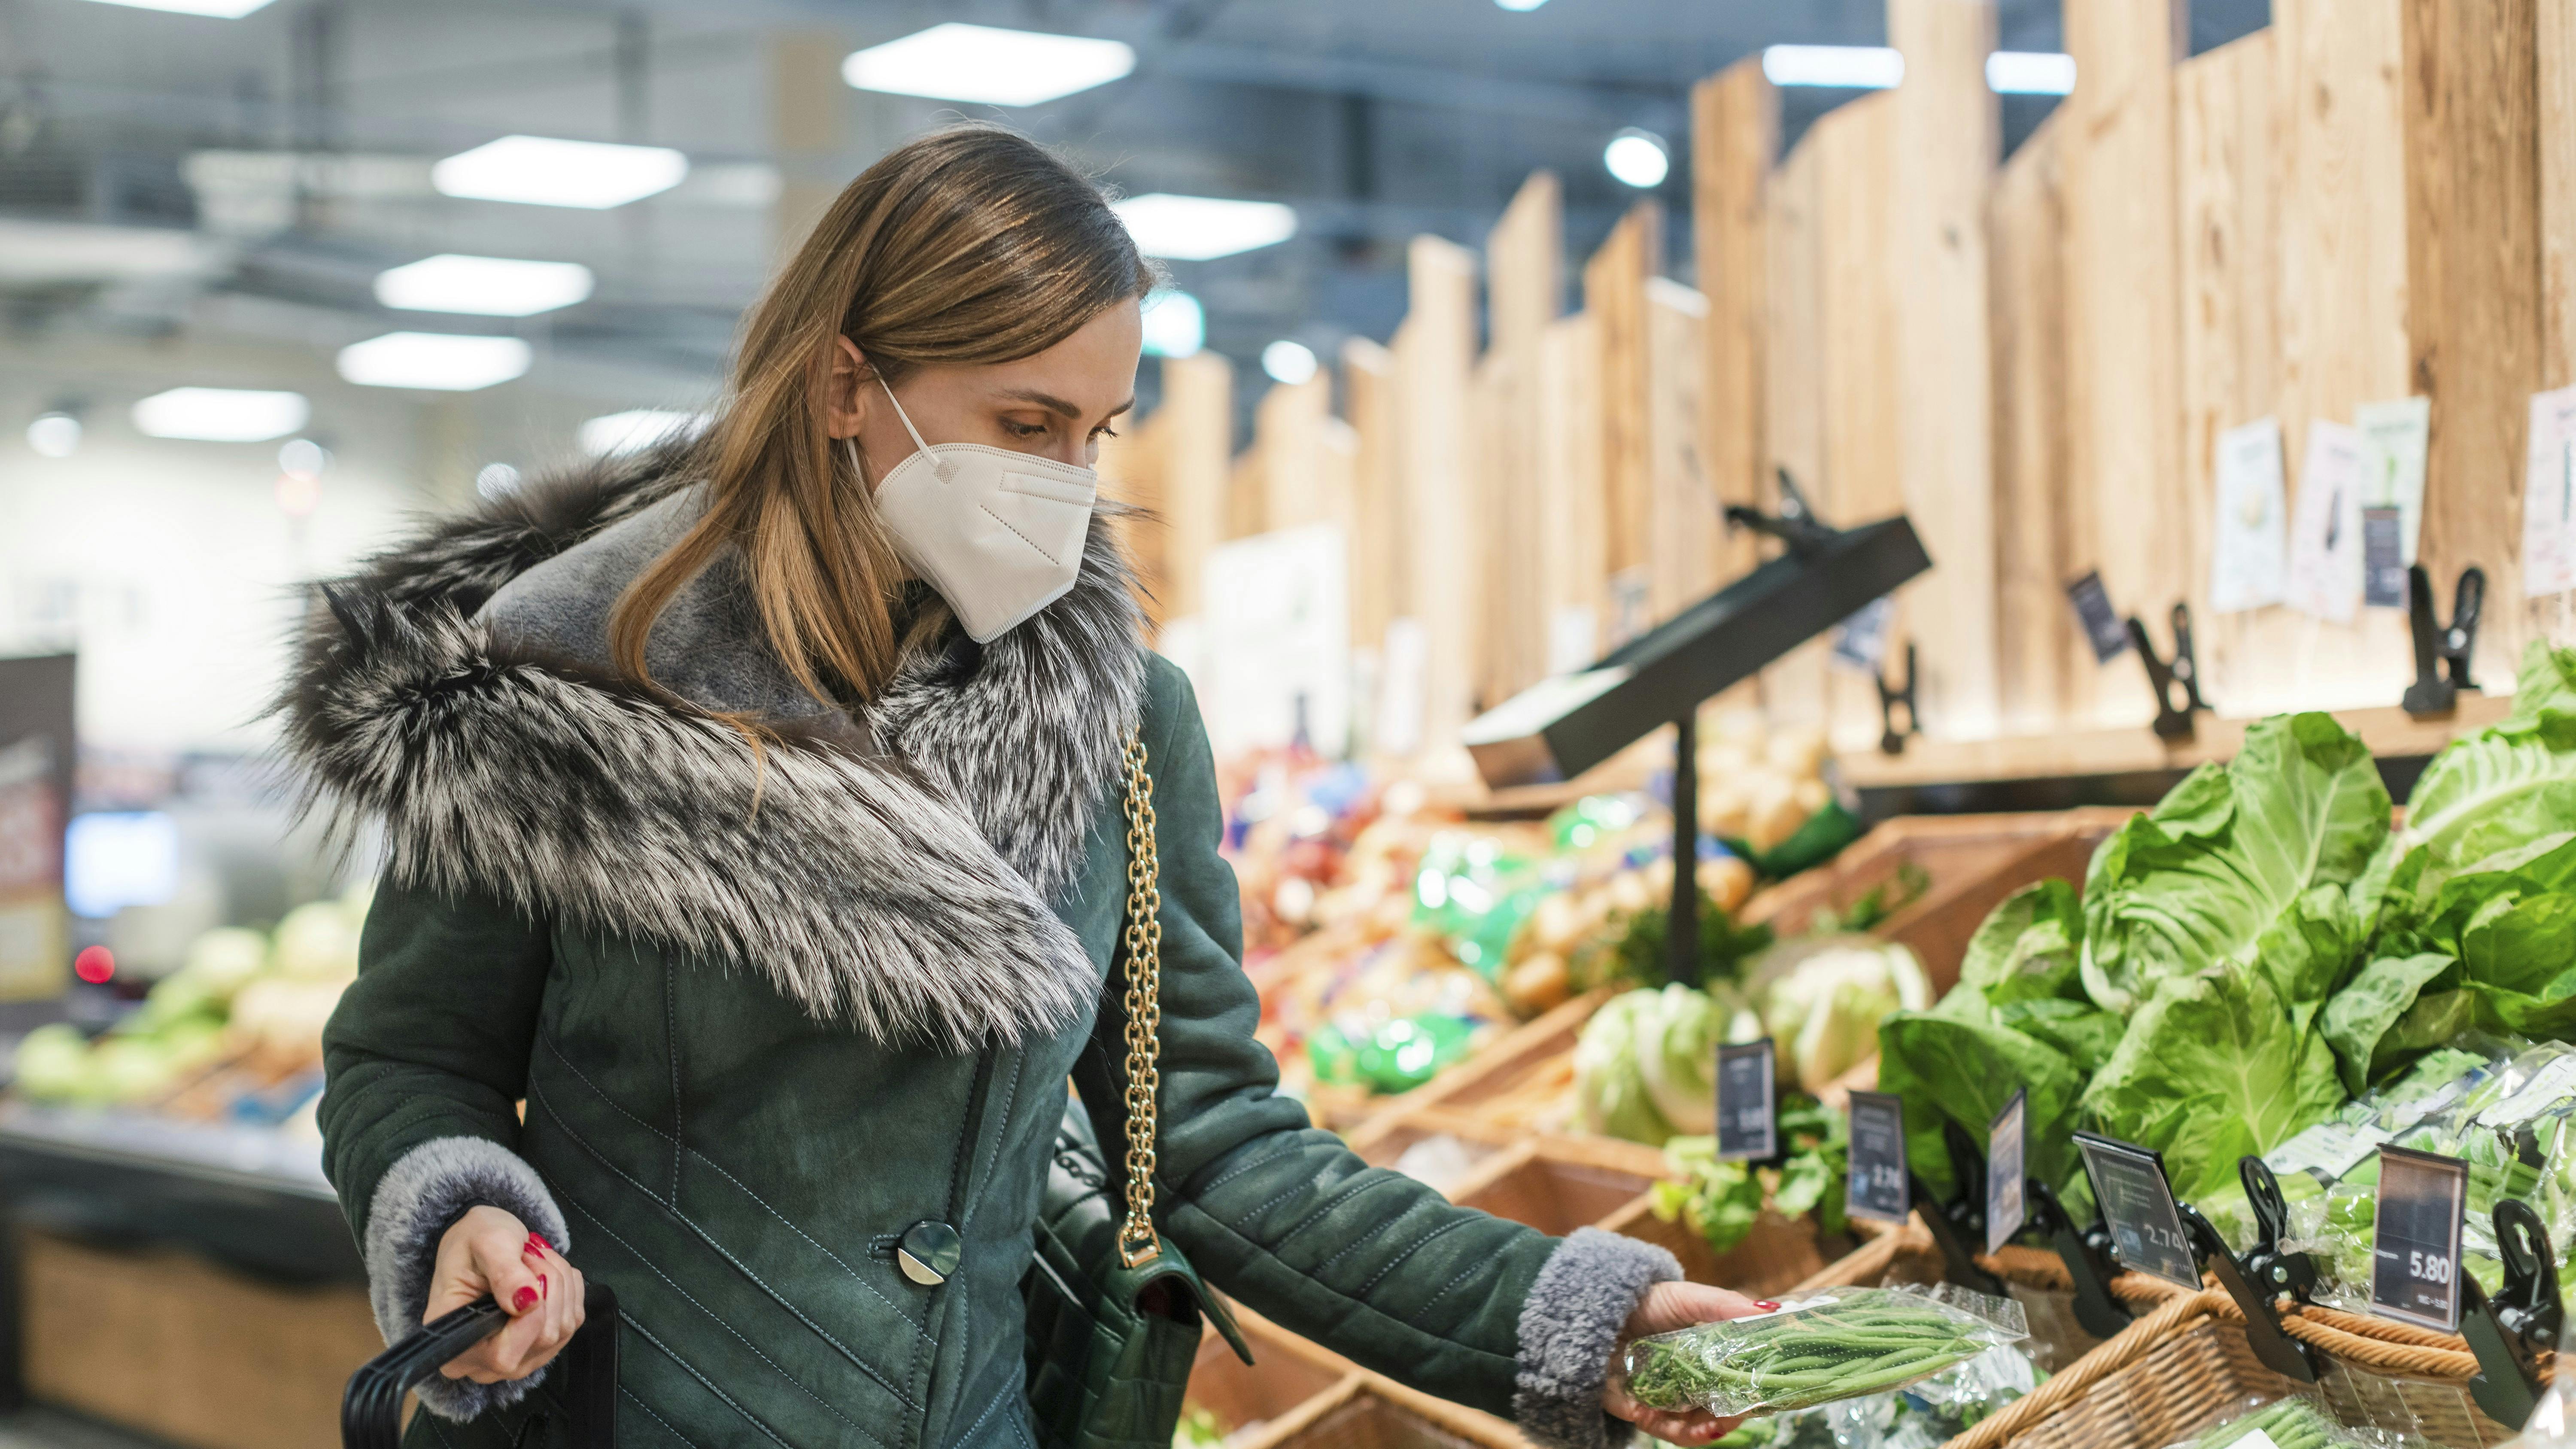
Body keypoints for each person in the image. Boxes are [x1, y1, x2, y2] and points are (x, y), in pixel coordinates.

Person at [292, 123, 1753, 1449]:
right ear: (847, 384)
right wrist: (460, 1204)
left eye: (1099, 432)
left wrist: (1566, 1312)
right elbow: (409, 1060)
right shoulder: (551, 688)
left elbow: (1214, 1142)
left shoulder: (1119, 725)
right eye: (1026, 423)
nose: (1070, 478)